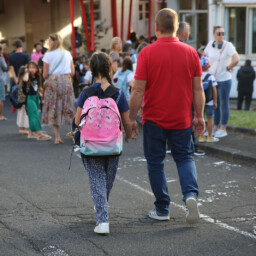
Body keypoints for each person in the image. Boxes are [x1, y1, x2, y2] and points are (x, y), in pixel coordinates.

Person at [129, 8, 205, 224]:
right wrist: (199, 116)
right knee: (185, 158)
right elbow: (198, 89)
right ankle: (190, 195)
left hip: (153, 119)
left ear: (156, 28)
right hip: (182, 118)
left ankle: (163, 208)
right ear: (176, 27)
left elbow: (138, 90)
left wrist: (129, 119)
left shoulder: (146, 53)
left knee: (155, 162)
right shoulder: (191, 53)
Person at [75, 52, 134, 234]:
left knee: (97, 180)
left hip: (91, 145)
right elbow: (127, 122)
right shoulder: (118, 94)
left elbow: (77, 121)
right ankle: (101, 210)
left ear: (91, 70)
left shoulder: (85, 93)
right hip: (112, 145)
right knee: (106, 181)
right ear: (110, 69)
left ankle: (102, 220)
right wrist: (129, 135)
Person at [204, 25, 240, 138]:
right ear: (214, 34)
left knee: (224, 103)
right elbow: (204, 57)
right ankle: (215, 127)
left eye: (223, 33)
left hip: (224, 79)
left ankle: (223, 128)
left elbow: (236, 58)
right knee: (215, 104)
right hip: (213, 79)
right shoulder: (210, 45)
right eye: (219, 33)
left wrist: (229, 66)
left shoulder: (228, 45)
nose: (221, 36)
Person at [177, 21, 205, 156]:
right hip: (187, 93)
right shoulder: (189, 52)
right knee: (189, 120)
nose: (190, 33)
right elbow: (197, 85)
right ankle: (191, 146)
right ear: (183, 32)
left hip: (174, 95)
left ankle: (175, 146)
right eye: (188, 31)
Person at [42, 33, 76, 144]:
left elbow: (45, 75)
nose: (48, 43)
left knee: (53, 106)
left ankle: (57, 137)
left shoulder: (48, 55)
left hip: (54, 82)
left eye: (49, 41)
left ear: (53, 42)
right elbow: (72, 72)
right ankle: (74, 136)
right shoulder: (67, 53)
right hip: (66, 81)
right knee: (69, 107)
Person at [22, 61, 51, 140]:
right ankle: (39, 132)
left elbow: (37, 86)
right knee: (34, 115)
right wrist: (27, 71)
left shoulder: (37, 76)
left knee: (34, 114)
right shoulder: (27, 76)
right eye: (30, 67)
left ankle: (31, 132)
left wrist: (39, 92)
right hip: (30, 97)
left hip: (36, 97)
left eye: (33, 67)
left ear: (37, 69)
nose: (31, 69)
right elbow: (25, 79)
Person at [198, 55, 219, 143]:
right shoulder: (210, 77)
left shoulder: (197, 76)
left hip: (199, 101)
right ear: (209, 66)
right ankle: (210, 136)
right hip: (209, 101)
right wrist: (215, 101)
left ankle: (201, 136)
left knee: (200, 118)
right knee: (210, 118)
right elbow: (214, 90)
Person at [17, 66, 29, 134]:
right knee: (23, 115)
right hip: (23, 101)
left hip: (20, 101)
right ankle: (21, 129)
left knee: (22, 114)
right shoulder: (23, 80)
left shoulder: (20, 79)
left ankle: (22, 128)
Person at [0, 46, 8, 120]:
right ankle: (0, 115)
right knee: (0, 98)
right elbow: (5, 67)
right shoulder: (1, 58)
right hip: (0, 79)